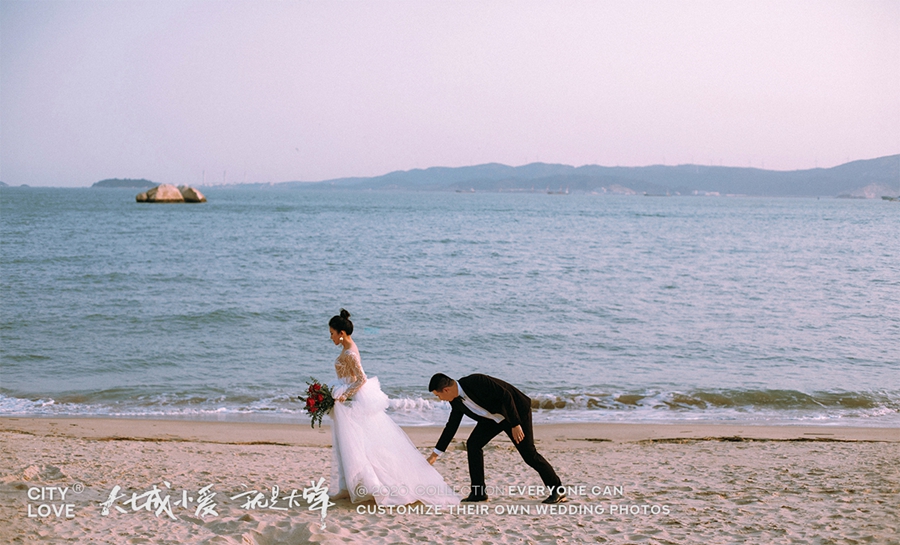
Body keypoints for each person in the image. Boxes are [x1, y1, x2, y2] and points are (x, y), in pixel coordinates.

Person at [326, 309, 459, 506]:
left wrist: (345, 394)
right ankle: (347, 488)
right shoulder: (347, 348)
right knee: (346, 445)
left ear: (341, 333)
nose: (330, 337)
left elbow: (361, 379)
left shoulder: (350, 352)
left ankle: (366, 487)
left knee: (357, 446)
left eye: (332, 333)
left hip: (352, 401)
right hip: (346, 400)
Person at [427, 373, 567, 504]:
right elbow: (451, 426)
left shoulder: (476, 381)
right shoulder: (456, 401)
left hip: (515, 413)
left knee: (529, 455)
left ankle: (558, 491)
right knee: (473, 444)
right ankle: (478, 493)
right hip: (492, 420)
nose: (440, 399)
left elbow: (506, 396)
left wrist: (515, 424)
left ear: (446, 390)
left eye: (438, 395)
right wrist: (435, 455)